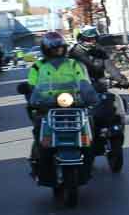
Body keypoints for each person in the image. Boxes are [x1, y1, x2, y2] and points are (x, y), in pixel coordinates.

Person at [21, 32, 97, 177]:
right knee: (39, 130)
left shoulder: (73, 64)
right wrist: (30, 93)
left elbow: (83, 81)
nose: (58, 51)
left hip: (73, 105)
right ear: (46, 50)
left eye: (60, 48)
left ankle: (88, 162)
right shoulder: (37, 67)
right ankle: (39, 163)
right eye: (54, 49)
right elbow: (32, 86)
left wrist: (89, 94)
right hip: (46, 106)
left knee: (90, 128)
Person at [70, 27, 129, 139]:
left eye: (94, 39)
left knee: (116, 102)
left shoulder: (100, 52)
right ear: (81, 39)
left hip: (99, 88)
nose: (92, 41)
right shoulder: (73, 54)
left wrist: (121, 80)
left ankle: (112, 133)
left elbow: (111, 68)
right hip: (79, 91)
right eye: (89, 39)